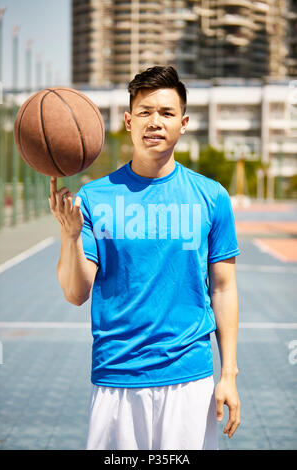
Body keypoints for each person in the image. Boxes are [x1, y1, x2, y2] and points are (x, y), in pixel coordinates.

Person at [48, 66, 241, 450]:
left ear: (183, 123)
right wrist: (70, 237)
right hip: (116, 377)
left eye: (167, 113)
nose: (155, 122)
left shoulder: (212, 196)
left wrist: (229, 374)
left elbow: (224, 287)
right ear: (128, 120)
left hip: (190, 379)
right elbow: (75, 293)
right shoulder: (95, 198)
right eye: (145, 112)